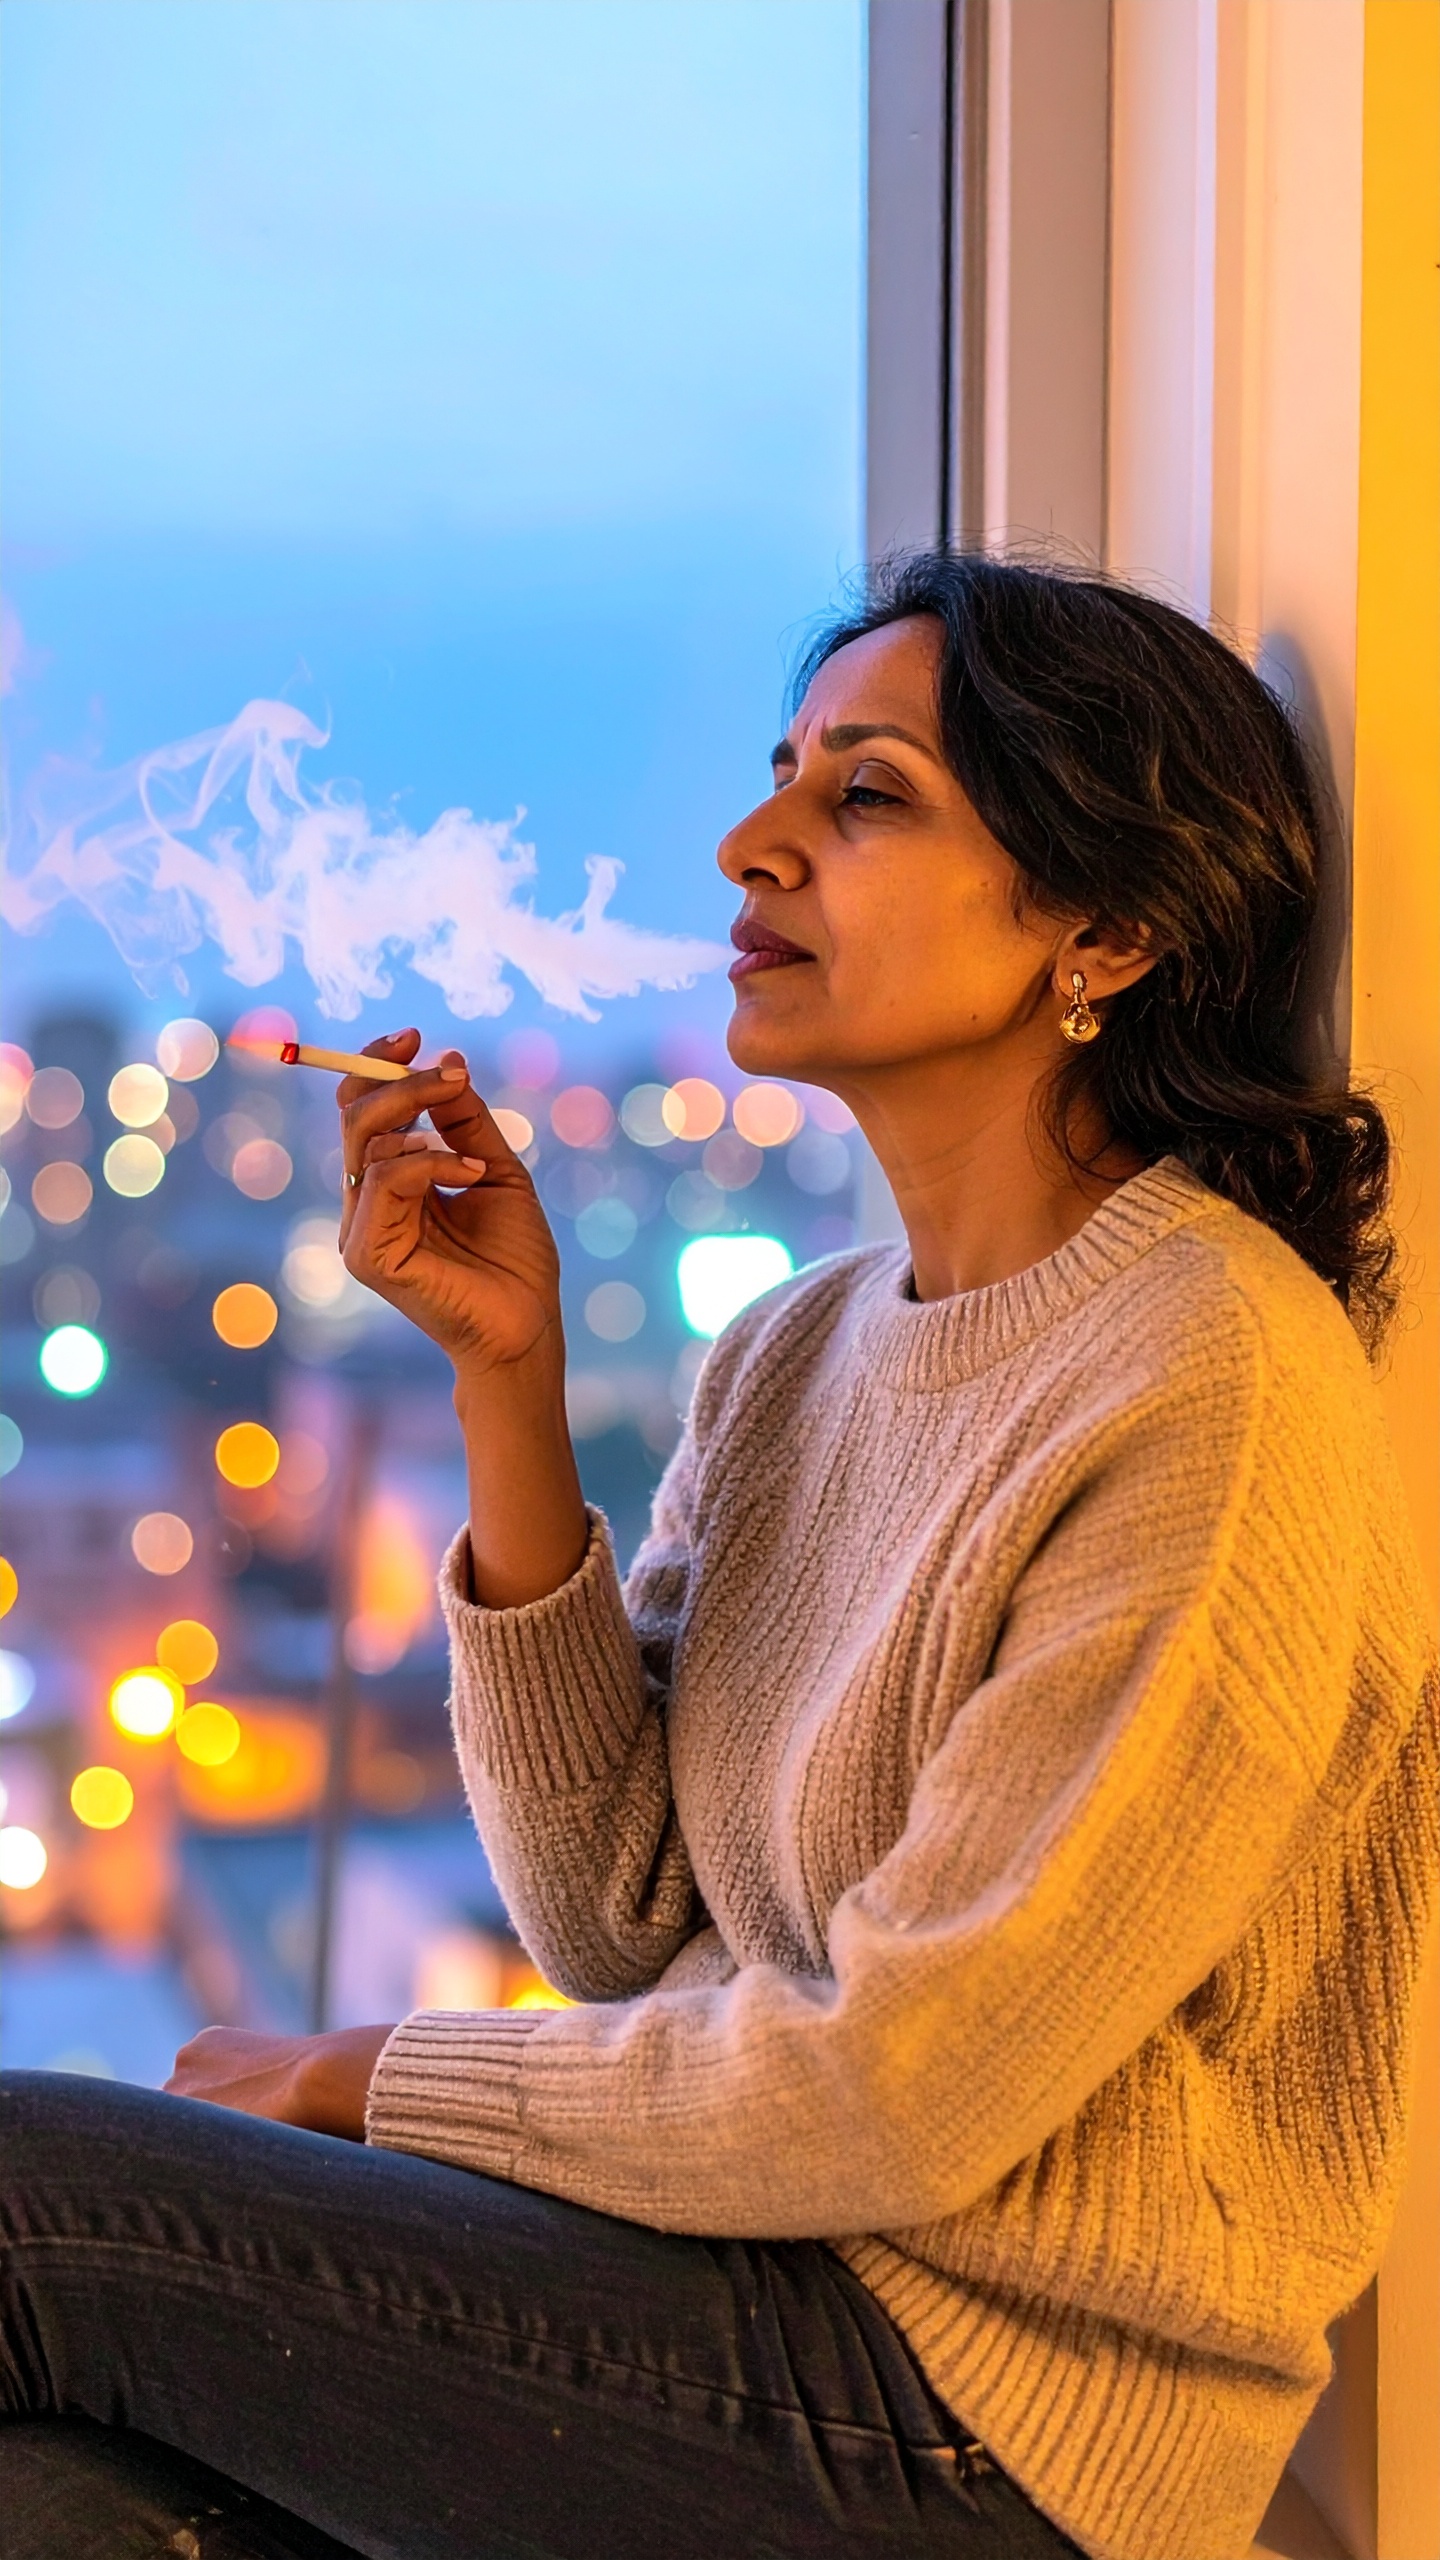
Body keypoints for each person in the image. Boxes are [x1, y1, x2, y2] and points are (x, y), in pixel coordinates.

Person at [2, 555, 1435, 2560]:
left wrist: (359, 2068)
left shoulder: (1209, 1376)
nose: (749, 841)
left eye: (866, 797)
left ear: (1103, 927)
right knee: (57, 2498)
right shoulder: (795, 1349)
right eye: (785, 776)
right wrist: (510, 1375)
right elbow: (615, 1919)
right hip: (755, 2304)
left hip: (989, 2437)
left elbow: (906, 2092)